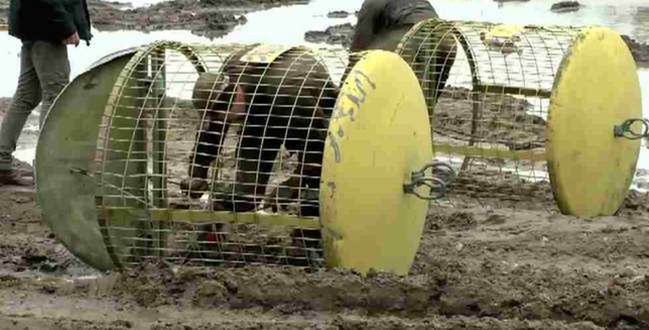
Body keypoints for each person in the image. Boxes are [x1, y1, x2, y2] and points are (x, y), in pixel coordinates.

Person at [0, 0, 92, 186]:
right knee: (56, 97)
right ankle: (47, 165)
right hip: (47, 30)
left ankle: (2, 162)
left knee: (26, 96)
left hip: (33, 27)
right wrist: (65, 26)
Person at [350, 0, 456, 110]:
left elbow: (357, 51)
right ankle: (425, 115)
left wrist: (344, 87)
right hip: (446, 39)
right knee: (427, 95)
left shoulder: (370, 3)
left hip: (410, 37)